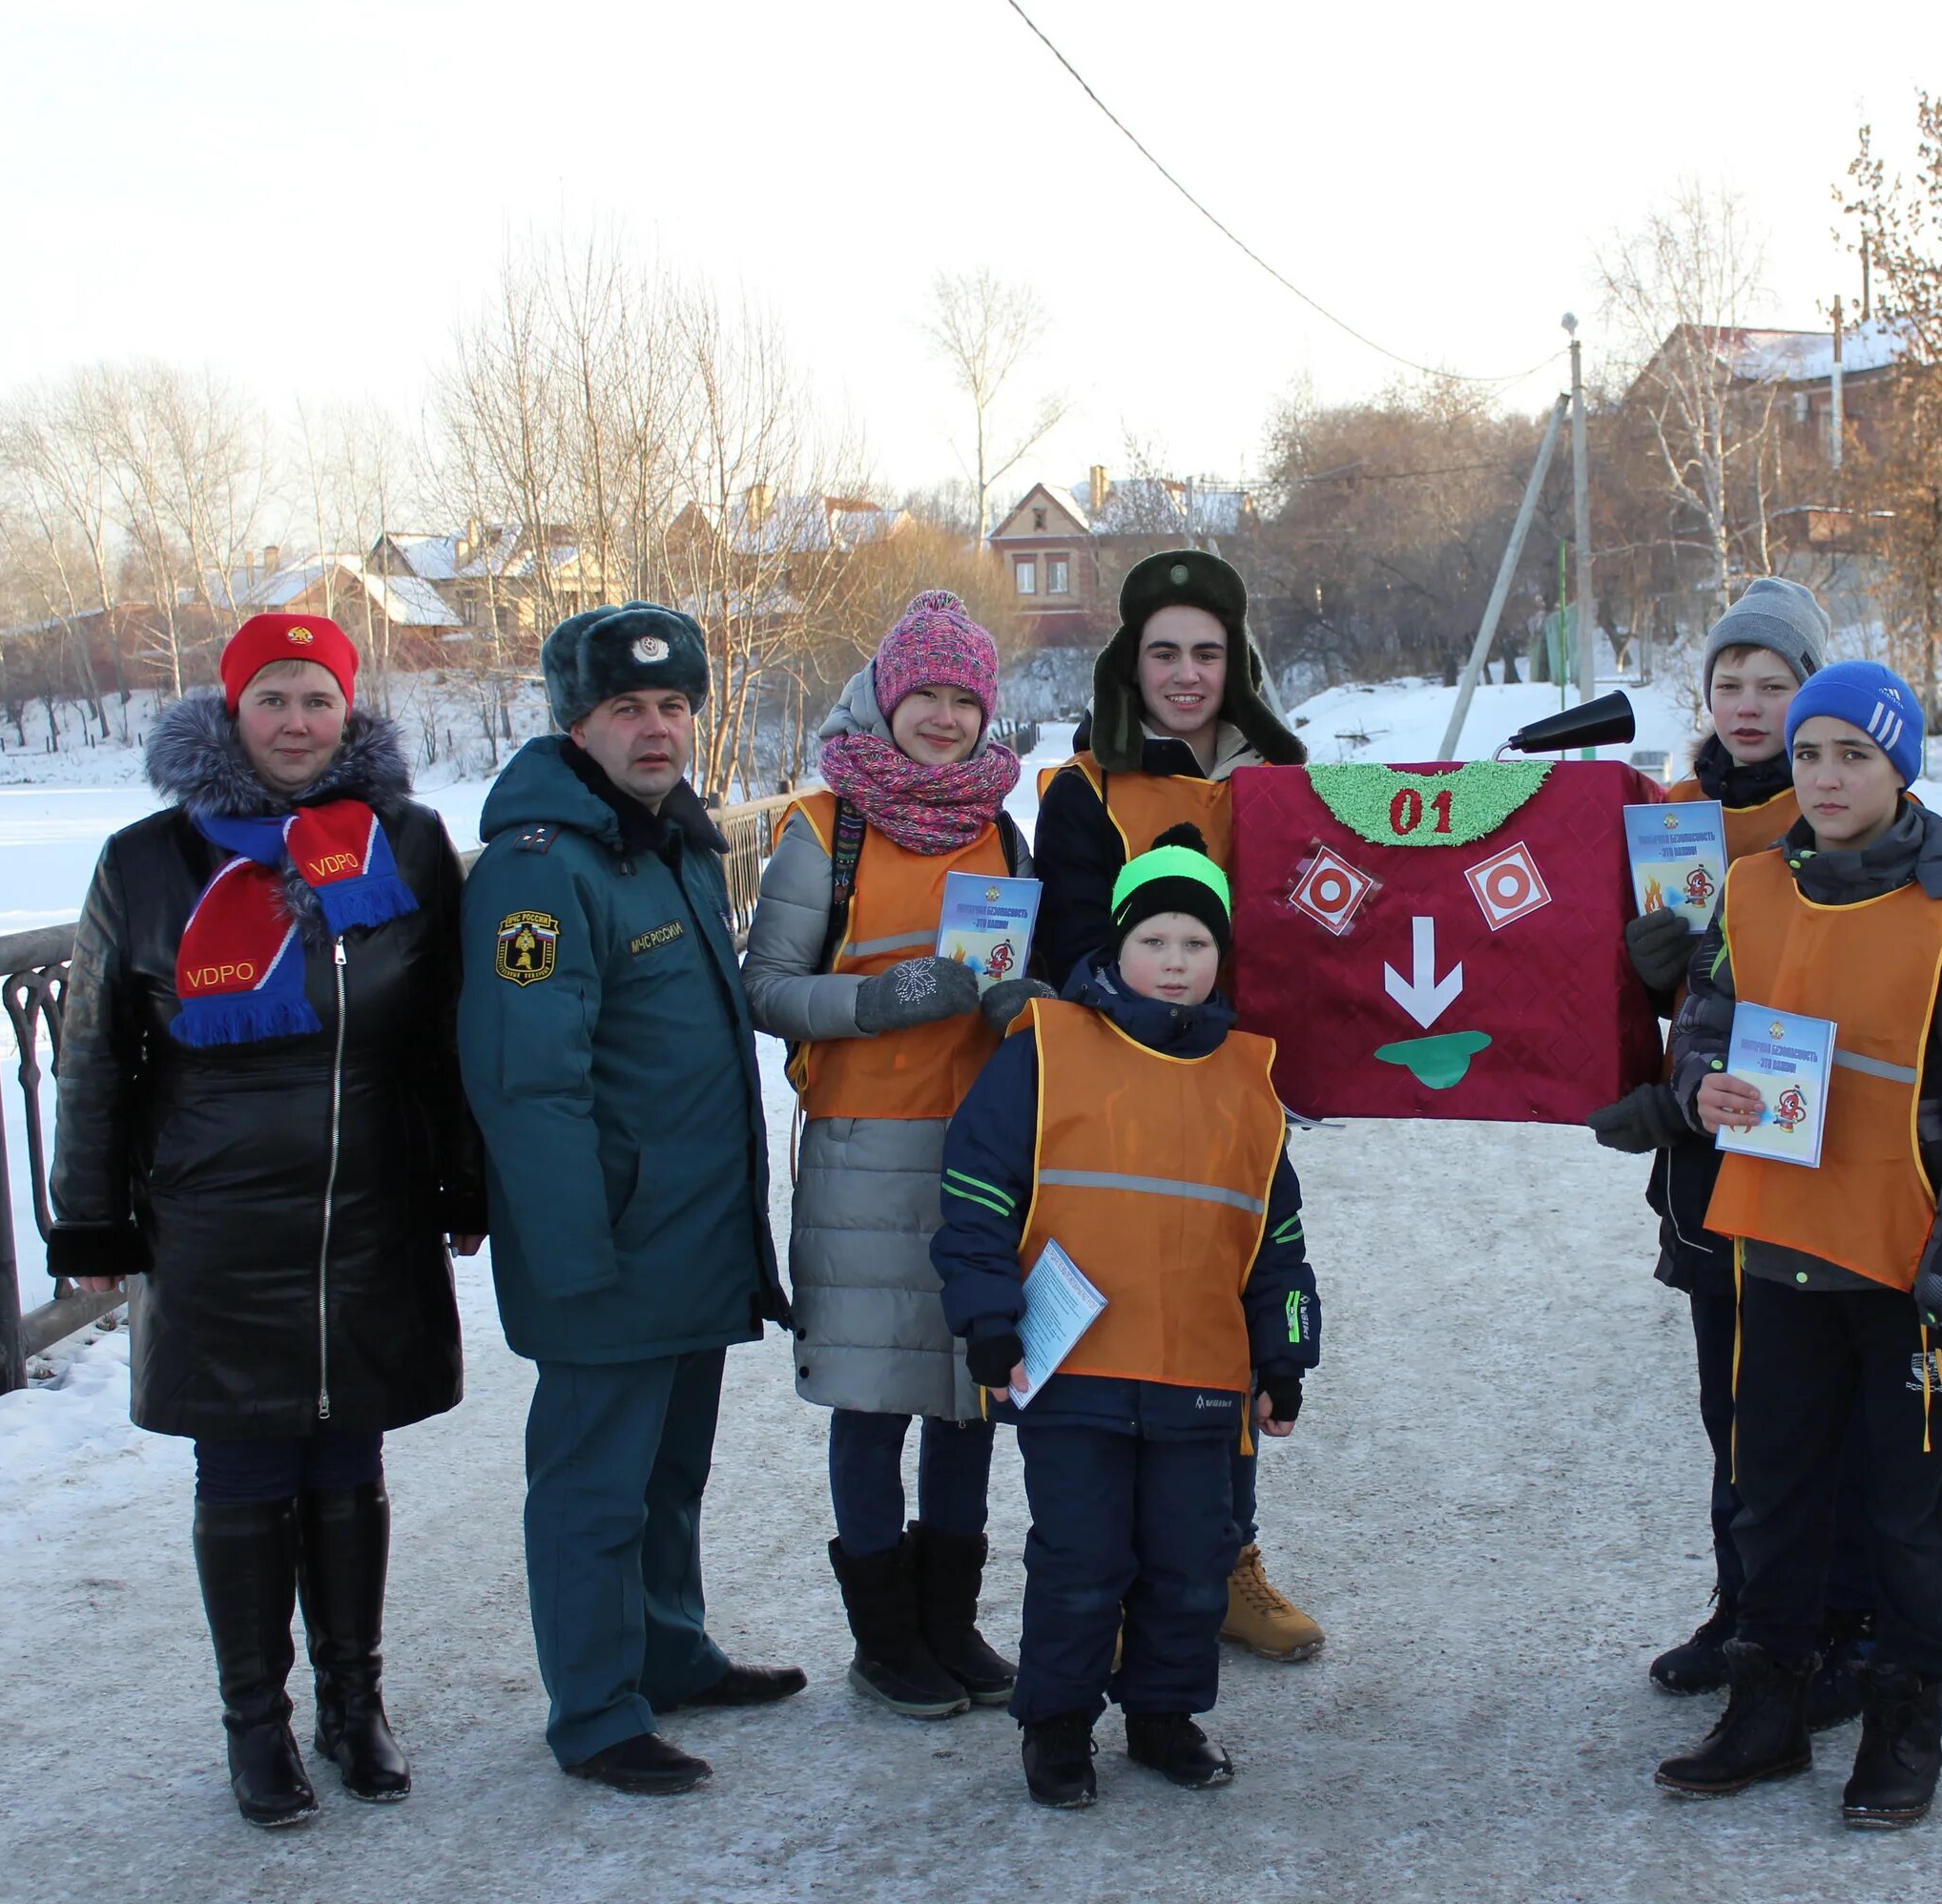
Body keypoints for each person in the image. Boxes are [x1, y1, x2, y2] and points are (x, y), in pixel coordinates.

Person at [49, 611, 483, 1829]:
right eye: (274, 699)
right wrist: (89, 1220)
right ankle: (258, 1726)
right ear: (230, 711)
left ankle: (356, 1705)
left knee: (349, 1452)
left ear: (351, 713)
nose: (297, 722)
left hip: (368, 1199)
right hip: (216, 1216)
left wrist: (462, 1176)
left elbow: (445, 1027)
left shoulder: (400, 842)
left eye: (318, 700)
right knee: (241, 1464)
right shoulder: (148, 861)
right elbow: (95, 1054)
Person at [1656, 662, 1942, 1829]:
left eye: (1855, 757)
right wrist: (1700, 1089)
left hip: (1910, 1272)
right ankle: (1768, 1709)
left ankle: (1901, 1719)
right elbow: (1701, 1029)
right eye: (1813, 753)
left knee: (1911, 1505)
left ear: (1901, 767)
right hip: (1775, 1250)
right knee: (1770, 1489)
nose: (1825, 778)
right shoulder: (1752, 889)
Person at [457, 603, 804, 1796]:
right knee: (593, 1487)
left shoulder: (671, 844)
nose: (655, 729)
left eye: (672, 706)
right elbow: (528, 1078)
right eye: (626, 709)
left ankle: (667, 1648)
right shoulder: (540, 876)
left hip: (688, 1233)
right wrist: (568, 1252)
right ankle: (597, 1710)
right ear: (575, 722)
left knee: (668, 1471)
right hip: (605, 1243)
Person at [932, 826, 1321, 1809]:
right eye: (1157, 941)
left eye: (1198, 943)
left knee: (1194, 1556)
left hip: (1200, 1369)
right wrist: (985, 1318)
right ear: (1117, 947)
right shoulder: (1047, 1050)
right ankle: (1056, 1726)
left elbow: (1277, 1239)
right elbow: (977, 1194)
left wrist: (1285, 1359)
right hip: (1077, 1370)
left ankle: (1164, 1715)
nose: (1177, 961)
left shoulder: (1249, 1079)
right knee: (1080, 1559)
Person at [741, 591, 1045, 1719]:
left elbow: (1023, 963)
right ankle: (883, 1637)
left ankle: (950, 1620)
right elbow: (766, 988)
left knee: (969, 1393)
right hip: (864, 1149)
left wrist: (1028, 1003)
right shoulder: (825, 826)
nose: (946, 717)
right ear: (884, 695)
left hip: (979, 1149)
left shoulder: (1005, 828)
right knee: (872, 1401)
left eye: (967, 699)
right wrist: (879, 1000)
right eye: (926, 693)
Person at [1587, 578, 1883, 1727]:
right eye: (1731, 683)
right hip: (1712, 1137)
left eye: (1775, 682)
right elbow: (1656, 994)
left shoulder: (1838, 808)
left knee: (1821, 1394)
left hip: (1817, 1146)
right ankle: (1748, 1604)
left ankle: (1841, 1618)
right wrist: (1645, 960)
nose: (1751, 704)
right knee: (1734, 1393)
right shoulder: (1670, 810)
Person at [1028, 547, 1321, 1664]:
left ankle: (1227, 1558)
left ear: (1235, 661)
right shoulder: (1085, 788)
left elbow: (1320, 929)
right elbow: (1064, 946)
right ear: (1129, 662)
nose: (1187, 674)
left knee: (1229, 1319)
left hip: (1238, 1096)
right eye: (1165, 652)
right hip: (1115, 1104)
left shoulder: (1279, 781)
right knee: (1108, 1336)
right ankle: (1104, 1586)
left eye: (1207, 651)